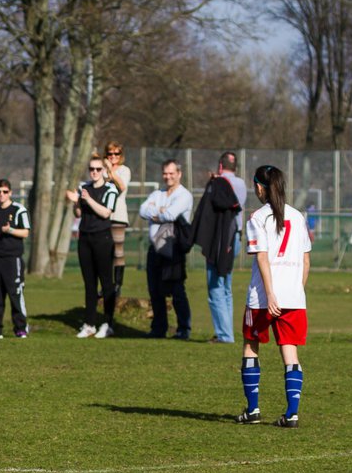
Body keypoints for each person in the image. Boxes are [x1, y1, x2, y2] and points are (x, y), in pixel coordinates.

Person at [237, 165, 310, 428]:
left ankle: (253, 410)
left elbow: (262, 257)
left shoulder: (258, 217)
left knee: (250, 346)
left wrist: (270, 295)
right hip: (294, 298)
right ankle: (292, 414)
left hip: (262, 299)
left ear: (259, 187)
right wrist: (296, 290)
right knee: (290, 353)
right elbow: (306, 260)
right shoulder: (298, 216)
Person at [137, 159, 194, 339]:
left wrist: (157, 212)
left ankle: (183, 329)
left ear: (179, 174)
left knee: (177, 290)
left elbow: (171, 214)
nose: (168, 177)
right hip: (155, 248)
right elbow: (142, 209)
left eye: (171, 173)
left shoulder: (184, 195)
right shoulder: (158, 193)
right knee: (155, 290)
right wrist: (160, 211)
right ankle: (159, 328)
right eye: (165, 173)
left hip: (173, 248)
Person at [192, 151, 245, 343]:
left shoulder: (218, 184)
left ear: (220, 166)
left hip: (221, 240)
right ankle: (226, 331)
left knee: (215, 286)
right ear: (235, 167)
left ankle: (224, 334)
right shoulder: (241, 184)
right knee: (226, 287)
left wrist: (216, 181)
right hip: (236, 238)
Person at [66, 155, 120, 338]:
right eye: (92, 169)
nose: (94, 172)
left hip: (103, 238)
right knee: (89, 283)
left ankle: (107, 323)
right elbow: (79, 213)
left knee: (106, 283)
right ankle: (89, 323)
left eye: (98, 169)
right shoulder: (84, 187)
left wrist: (88, 200)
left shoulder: (110, 190)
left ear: (104, 170)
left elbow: (105, 212)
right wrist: (75, 202)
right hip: (85, 238)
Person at [0, 179, 30, 339]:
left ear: (10, 193)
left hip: (12, 258)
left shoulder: (18, 210)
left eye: (5, 192)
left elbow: (25, 232)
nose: (1, 195)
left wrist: (10, 230)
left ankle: (21, 328)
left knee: (15, 294)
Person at [103, 142, 131, 296]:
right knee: (104, 252)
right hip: (102, 215)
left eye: (116, 154)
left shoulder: (124, 170)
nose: (113, 157)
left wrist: (110, 171)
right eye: (110, 153)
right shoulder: (101, 171)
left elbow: (121, 187)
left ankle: (117, 285)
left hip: (118, 215)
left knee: (117, 251)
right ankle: (106, 284)